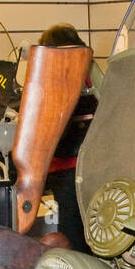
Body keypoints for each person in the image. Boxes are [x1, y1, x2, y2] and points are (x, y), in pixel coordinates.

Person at [37, 23, 97, 252]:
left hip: (67, 169)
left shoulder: (63, 76)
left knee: (71, 231)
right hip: (81, 166)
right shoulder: (86, 72)